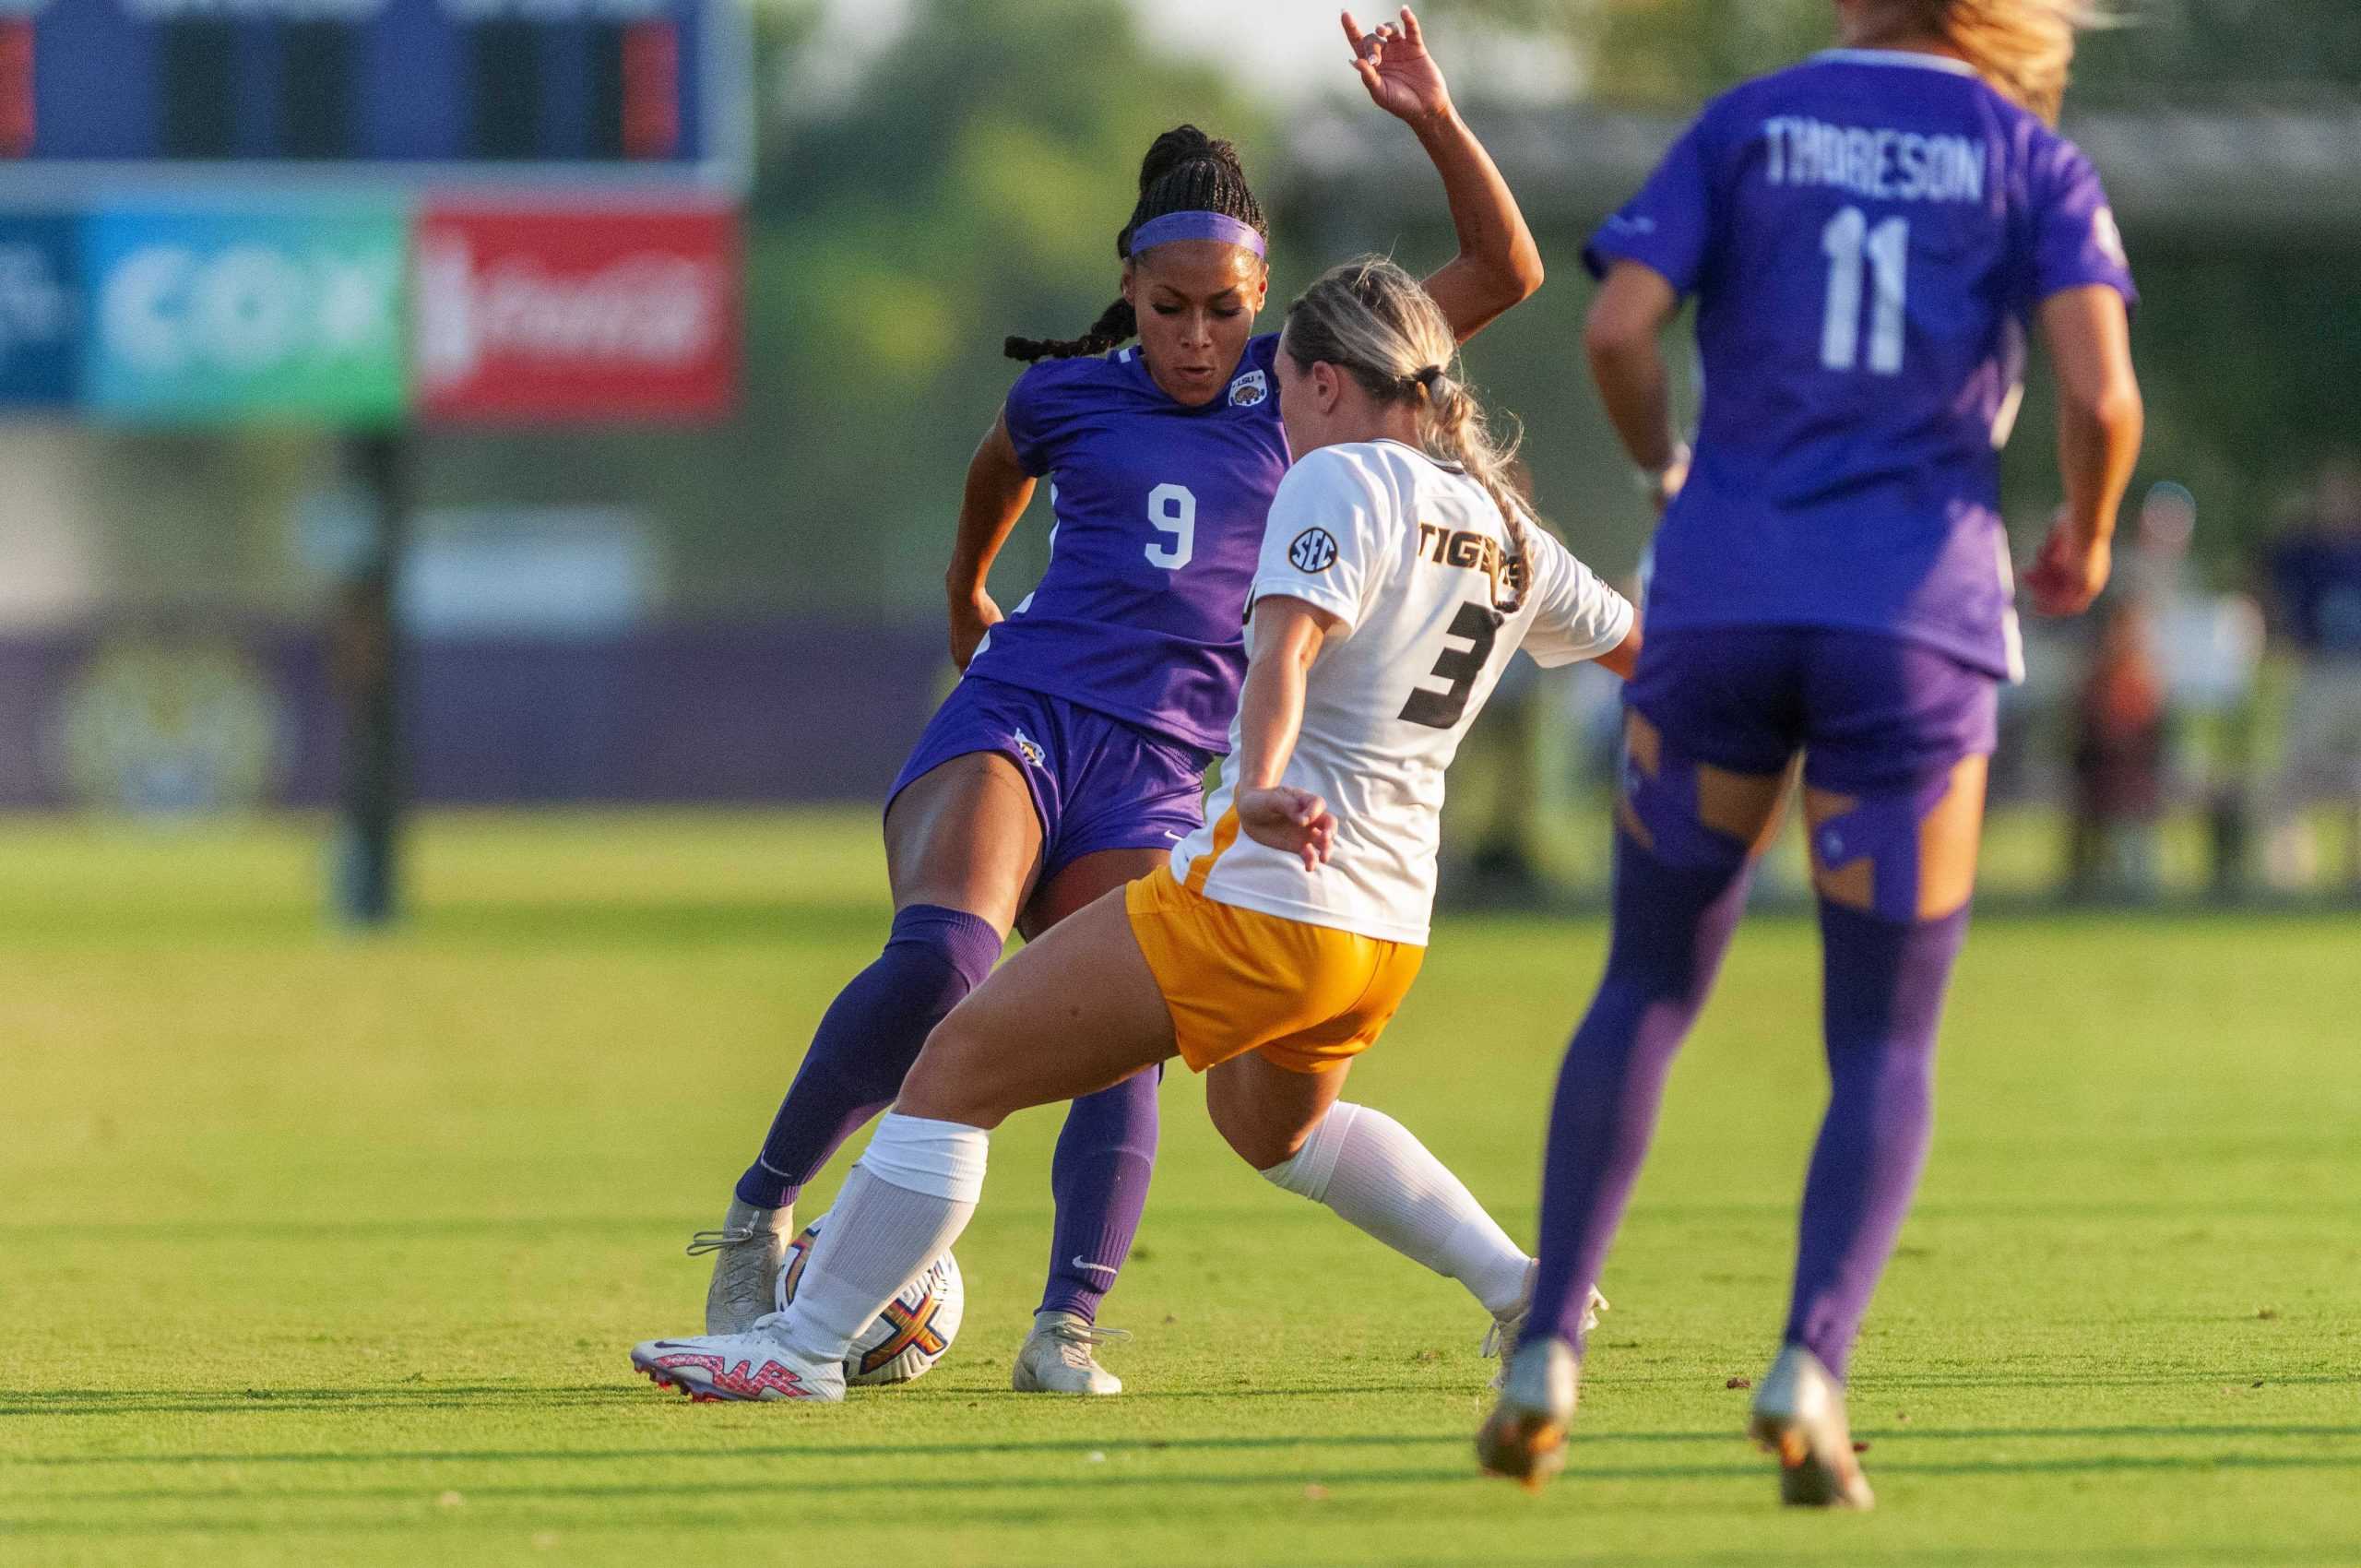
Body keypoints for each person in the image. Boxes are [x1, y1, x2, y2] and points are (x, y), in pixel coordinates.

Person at [691, 7, 1549, 1397]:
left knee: (1126, 1024)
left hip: (1165, 767)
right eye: (1170, 309)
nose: (1200, 338)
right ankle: (760, 1215)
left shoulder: (1310, 385)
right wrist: (968, 595)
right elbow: (991, 472)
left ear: (1262, 295)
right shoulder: (1069, 396)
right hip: (1025, 713)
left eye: (1226, 309)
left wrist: (1432, 117)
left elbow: (1507, 269)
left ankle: (1064, 1329)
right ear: (1129, 289)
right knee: (945, 963)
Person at [1477, 0, 2142, 1507]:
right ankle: (1808, 1369)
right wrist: (2086, 536)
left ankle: (1545, 1355)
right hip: (1912, 625)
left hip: (1719, 606)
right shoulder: (2030, 158)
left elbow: (1615, 325)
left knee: (1646, 980)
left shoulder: (1749, 124)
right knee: (1883, 1040)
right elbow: (2102, 395)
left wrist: (1663, 470)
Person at [2261, 458, 2361, 891]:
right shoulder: (2302, 550)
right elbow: (2266, 588)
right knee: (2294, 774)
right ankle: (2289, 876)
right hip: (2317, 668)